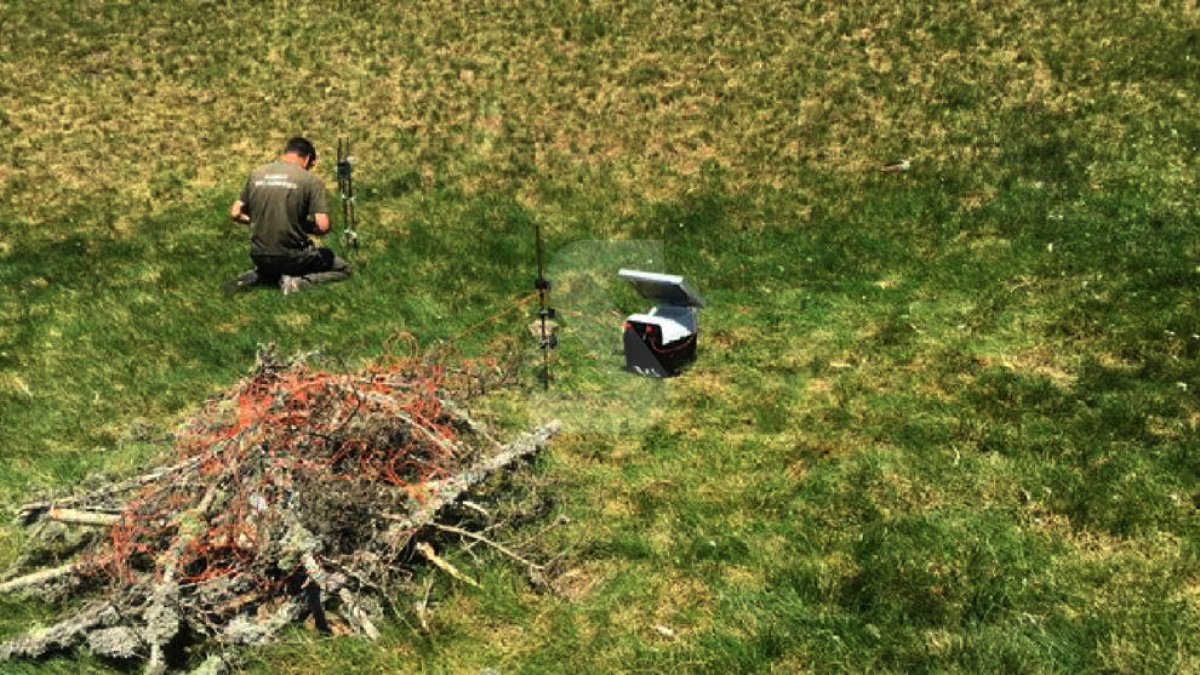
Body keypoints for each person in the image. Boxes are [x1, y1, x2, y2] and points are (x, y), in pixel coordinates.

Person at [225, 137, 352, 295]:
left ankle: (260, 276)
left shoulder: (257, 174)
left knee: (272, 266)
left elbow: (236, 213)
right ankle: (297, 284)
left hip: (259, 254)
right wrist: (304, 226)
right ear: (307, 159)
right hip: (292, 257)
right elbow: (323, 226)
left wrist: (260, 221)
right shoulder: (310, 180)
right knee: (344, 268)